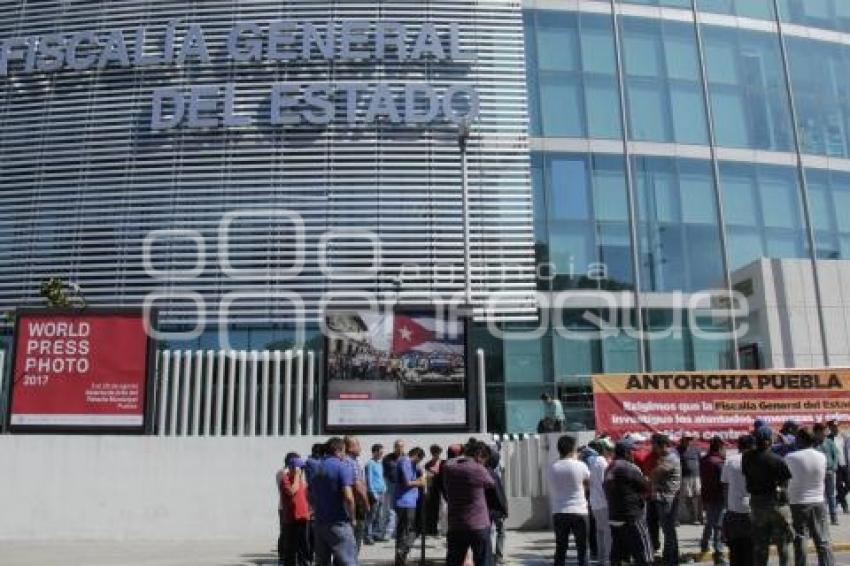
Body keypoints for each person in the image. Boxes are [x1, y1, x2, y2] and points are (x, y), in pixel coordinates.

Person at [743, 426, 793, 566]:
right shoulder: (777, 460)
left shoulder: (746, 458)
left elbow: (746, 476)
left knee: (760, 546)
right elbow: (785, 484)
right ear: (769, 440)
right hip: (775, 504)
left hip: (757, 504)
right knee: (783, 545)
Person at [785, 427, 835, 566]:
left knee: (800, 539)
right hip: (818, 500)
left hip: (797, 502)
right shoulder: (821, 457)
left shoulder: (790, 457)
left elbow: (785, 479)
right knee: (823, 540)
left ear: (800, 440)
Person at [443, 439, 497, 566]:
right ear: (479, 456)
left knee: (454, 561)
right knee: (483, 561)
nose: (485, 463)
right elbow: (491, 484)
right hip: (478, 524)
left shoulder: (448, 467)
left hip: (455, 524)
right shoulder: (478, 469)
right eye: (485, 459)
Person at [605, 438, 652, 566]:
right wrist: (647, 480)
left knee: (618, 553)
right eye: (632, 451)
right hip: (632, 516)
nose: (634, 454)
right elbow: (645, 487)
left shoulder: (610, 467)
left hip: (614, 515)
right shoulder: (629, 468)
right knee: (643, 551)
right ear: (626, 453)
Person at [312, 437, 357, 566]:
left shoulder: (317, 468)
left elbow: (309, 494)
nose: (345, 455)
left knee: (322, 562)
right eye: (344, 451)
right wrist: (353, 518)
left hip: (320, 524)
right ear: (338, 450)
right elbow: (349, 497)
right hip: (338, 522)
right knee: (348, 561)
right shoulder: (342, 467)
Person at [548, 435, 591, 566]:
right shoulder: (581, 465)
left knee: (560, 548)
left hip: (559, 510)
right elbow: (588, 483)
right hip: (579, 510)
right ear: (573, 449)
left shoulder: (553, 467)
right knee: (582, 549)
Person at [721, 435, 754, 566]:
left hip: (734, 510)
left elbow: (725, 485)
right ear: (752, 446)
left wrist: (727, 506)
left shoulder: (730, 461)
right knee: (750, 549)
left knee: (735, 549)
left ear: (739, 446)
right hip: (751, 510)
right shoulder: (756, 460)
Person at [648, 434, 681, 566]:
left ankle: (671, 560)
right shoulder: (664, 457)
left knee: (668, 531)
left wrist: (652, 476)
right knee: (668, 530)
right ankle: (671, 558)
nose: (653, 448)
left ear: (661, 445)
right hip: (662, 498)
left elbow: (654, 474)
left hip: (667, 499)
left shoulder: (670, 458)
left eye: (654, 445)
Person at [394, 446, 427, 566]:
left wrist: (422, 472)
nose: (419, 463)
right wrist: (421, 482)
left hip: (409, 501)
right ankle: (403, 551)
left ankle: (401, 556)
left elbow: (419, 469)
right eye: (419, 459)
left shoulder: (411, 463)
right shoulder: (405, 462)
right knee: (411, 529)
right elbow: (407, 482)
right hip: (405, 502)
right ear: (416, 455)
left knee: (405, 529)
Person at [278, 453, 312, 566]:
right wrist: (297, 476)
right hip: (291, 519)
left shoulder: (301, 481)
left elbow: (305, 497)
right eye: (300, 468)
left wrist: (310, 510)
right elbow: (292, 491)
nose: (301, 471)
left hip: (303, 518)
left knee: (303, 547)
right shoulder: (285, 479)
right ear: (293, 468)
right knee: (290, 550)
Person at [699, 436, 725, 565]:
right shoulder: (719, 463)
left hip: (706, 495)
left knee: (709, 522)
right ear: (720, 447)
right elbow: (723, 482)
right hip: (718, 497)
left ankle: (704, 544)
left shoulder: (703, 460)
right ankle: (718, 553)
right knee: (718, 525)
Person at [588, 438, 613, 566]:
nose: (611, 452)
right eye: (609, 449)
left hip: (595, 502)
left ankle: (601, 559)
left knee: (600, 531)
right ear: (604, 450)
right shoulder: (603, 463)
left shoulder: (592, 461)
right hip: (604, 502)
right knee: (607, 532)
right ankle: (608, 560)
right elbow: (606, 484)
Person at [343, 436, 370, 553]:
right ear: (349, 448)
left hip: (349, 505)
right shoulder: (351, 463)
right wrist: (366, 503)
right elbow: (358, 486)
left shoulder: (349, 461)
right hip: (356, 504)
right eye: (357, 445)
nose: (360, 448)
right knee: (355, 538)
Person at [485, 446, 508, 566]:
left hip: (485, 509)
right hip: (496, 509)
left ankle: (488, 555)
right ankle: (498, 556)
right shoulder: (493, 474)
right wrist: (505, 510)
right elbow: (500, 495)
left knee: (488, 533)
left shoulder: (483, 472)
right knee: (501, 532)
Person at [815, 422, 840, 525]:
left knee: (831, 496)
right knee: (821, 496)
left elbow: (836, 455)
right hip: (819, 473)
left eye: (825, 430)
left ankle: (834, 518)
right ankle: (822, 518)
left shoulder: (829, 442)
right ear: (817, 432)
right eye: (822, 431)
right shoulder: (813, 444)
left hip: (830, 472)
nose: (825, 432)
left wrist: (834, 467)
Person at [677, 435, 702, 525]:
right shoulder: (678, 450)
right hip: (684, 477)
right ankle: (692, 518)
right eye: (687, 439)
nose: (688, 441)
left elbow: (700, 462)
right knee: (688, 498)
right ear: (682, 440)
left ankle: (699, 517)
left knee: (698, 497)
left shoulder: (696, 449)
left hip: (697, 477)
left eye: (690, 439)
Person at [365, 443, 387, 544]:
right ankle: (368, 536)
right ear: (375, 452)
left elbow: (381, 477)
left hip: (382, 492)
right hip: (374, 493)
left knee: (379, 515)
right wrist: (373, 492)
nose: (382, 453)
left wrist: (385, 487)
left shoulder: (379, 463)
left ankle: (376, 534)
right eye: (380, 451)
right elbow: (369, 479)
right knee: (372, 515)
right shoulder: (370, 463)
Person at [383, 439, 405, 539]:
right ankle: (389, 532)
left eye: (401, 446)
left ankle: (399, 531)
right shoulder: (388, 458)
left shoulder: (406, 457)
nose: (399, 448)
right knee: (391, 509)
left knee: (401, 508)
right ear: (394, 447)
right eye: (397, 446)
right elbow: (385, 472)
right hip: (391, 485)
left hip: (403, 486)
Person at [424, 444, 446, 536]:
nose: (436, 454)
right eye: (434, 452)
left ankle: (443, 529)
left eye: (437, 452)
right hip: (432, 489)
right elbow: (426, 477)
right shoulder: (428, 464)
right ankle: (432, 529)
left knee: (443, 510)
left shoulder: (444, 463)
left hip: (443, 488)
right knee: (432, 509)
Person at [828, 420, 849, 514]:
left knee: (849, 483)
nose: (835, 428)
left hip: (845, 463)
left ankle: (837, 499)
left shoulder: (844, 436)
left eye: (836, 426)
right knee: (839, 486)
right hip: (835, 465)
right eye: (833, 426)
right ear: (830, 427)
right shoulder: (828, 439)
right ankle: (845, 506)